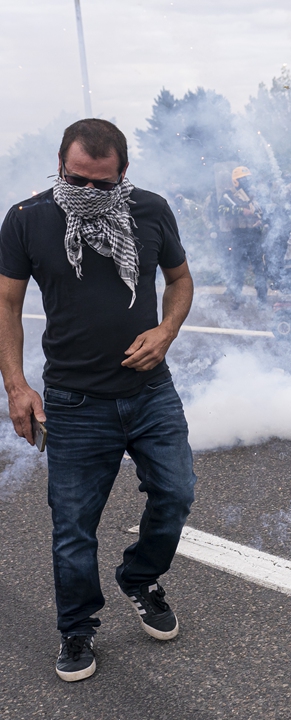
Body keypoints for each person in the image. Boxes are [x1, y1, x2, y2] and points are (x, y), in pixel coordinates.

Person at [0, 119, 197, 680]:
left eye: (102, 185)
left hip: (150, 392)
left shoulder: (151, 210)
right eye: (75, 179)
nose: (87, 194)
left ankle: (139, 577)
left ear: (123, 174)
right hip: (74, 401)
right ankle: (78, 629)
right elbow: (5, 305)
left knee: (177, 492)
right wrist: (16, 386)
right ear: (60, 165)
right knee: (73, 527)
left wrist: (166, 332)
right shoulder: (26, 219)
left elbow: (180, 281)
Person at [217, 166, 268, 306]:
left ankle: (262, 300)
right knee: (238, 270)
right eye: (243, 179)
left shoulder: (254, 194)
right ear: (236, 181)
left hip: (255, 236)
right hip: (239, 237)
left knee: (259, 268)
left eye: (247, 178)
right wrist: (240, 210)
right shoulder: (229, 194)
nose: (246, 181)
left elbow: (264, 212)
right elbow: (221, 210)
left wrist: (261, 221)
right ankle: (236, 299)